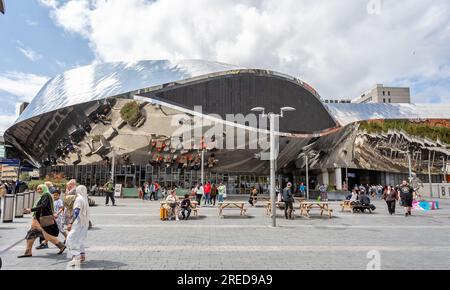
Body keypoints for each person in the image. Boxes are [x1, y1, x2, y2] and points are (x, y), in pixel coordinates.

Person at [18, 185, 66, 258]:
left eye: (40, 189)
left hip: (40, 220)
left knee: (42, 235)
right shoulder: (43, 196)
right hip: (38, 219)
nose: (39, 190)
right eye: (38, 189)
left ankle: (28, 252)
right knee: (35, 235)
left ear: (44, 188)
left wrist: (31, 209)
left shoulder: (46, 195)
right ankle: (28, 251)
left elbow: (43, 205)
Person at [66, 185, 91, 266]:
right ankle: (82, 256)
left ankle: (76, 257)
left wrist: (70, 223)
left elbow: (76, 211)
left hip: (78, 223)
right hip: (84, 223)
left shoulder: (79, 199)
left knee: (70, 239)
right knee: (80, 240)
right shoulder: (84, 198)